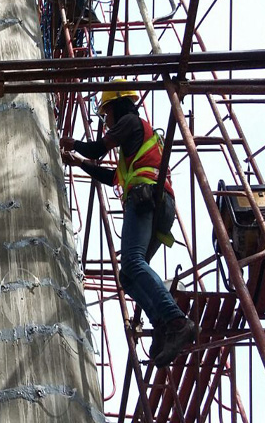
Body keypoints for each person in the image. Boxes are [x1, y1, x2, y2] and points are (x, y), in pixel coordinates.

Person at [60, 83, 197, 367]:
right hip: (160, 203)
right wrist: (77, 163)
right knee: (129, 276)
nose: (106, 120)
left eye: (106, 112)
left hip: (144, 197)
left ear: (118, 106)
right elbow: (112, 177)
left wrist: (73, 145)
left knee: (133, 263)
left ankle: (176, 320)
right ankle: (161, 323)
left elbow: (98, 149)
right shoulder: (136, 145)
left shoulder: (130, 121)